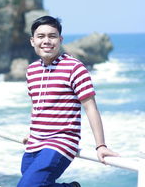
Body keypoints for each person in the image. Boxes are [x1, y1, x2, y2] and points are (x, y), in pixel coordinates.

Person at [17, 15, 118, 187]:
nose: (46, 41)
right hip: (35, 141)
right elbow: (38, 105)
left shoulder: (75, 68)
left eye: (52, 36)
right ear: (32, 41)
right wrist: (33, 130)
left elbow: (91, 108)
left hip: (61, 142)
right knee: (36, 182)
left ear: (60, 39)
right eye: (41, 37)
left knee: (26, 186)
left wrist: (100, 145)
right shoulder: (32, 70)